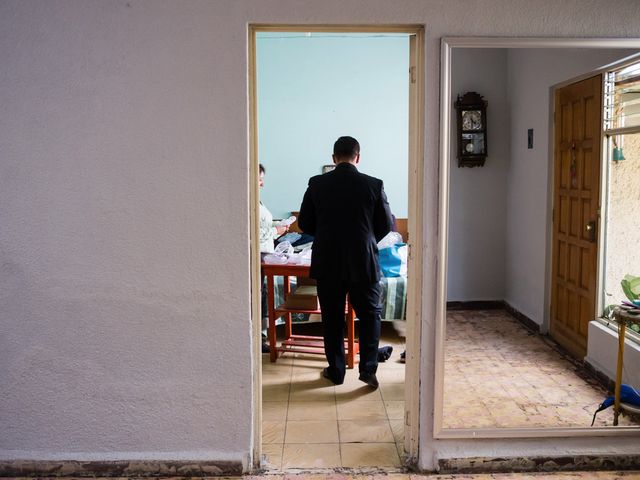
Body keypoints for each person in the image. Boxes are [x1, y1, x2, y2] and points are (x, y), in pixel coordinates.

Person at [298, 136, 393, 388]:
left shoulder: (317, 184)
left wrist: (328, 234)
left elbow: (304, 223)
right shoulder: (374, 184)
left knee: (331, 318)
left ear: (333, 158)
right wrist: (366, 240)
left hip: (328, 261)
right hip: (363, 261)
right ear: (358, 157)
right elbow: (386, 225)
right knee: (371, 315)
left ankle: (336, 370)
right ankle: (368, 370)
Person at [259, 164, 288, 352]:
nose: (262, 182)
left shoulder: (258, 202)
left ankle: (261, 336)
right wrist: (276, 230)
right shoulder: (247, 201)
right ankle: (258, 339)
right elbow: (254, 232)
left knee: (261, 295)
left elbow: (262, 228)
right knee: (257, 295)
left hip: (264, 254)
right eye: (259, 178)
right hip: (257, 254)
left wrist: (277, 228)